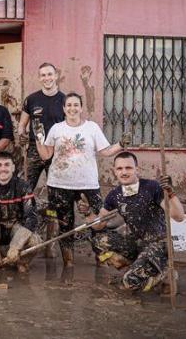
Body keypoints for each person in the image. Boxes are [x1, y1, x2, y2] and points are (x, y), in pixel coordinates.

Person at [35, 92, 130, 267]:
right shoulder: (56, 129)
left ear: (81, 107)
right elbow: (46, 155)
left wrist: (121, 144)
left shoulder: (91, 127)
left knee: (96, 220)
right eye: (68, 105)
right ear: (64, 108)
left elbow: (104, 151)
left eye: (75, 105)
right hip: (59, 184)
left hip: (87, 184)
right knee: (65, 223)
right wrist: (38, 138)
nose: (72, 108)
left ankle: (101, 258)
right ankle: (68, 263)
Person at [85, 151, 185, 292]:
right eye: (119, 169)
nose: (124, 172)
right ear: (114, 171)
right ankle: (136, 269)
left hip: (159, 244)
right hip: (137, 244)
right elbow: (99, 224)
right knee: (98, 241)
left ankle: (166, 274)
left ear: (137, 169)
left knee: (129, 282)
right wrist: (87, 213)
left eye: (128, 168)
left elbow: (179, 217)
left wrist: (170, 193)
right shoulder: (114, 194)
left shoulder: (152, 187)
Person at [16, 62, 65, 257]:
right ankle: (24, 234)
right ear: (39, 78)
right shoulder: (31, 99)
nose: (46, 78)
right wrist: (21, 135)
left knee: (55, 195)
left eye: (49, 74)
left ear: (56, 75)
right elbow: (22, 124)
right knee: (26, 190)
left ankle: (49, 244)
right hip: (34, 152)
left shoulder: (65, 100)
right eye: (43, 75)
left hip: (57, 153)